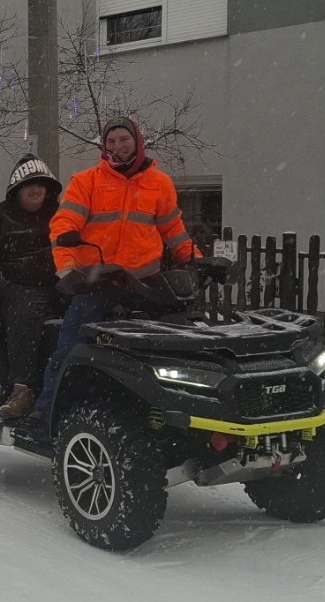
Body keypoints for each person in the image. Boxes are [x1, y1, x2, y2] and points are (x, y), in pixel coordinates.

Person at [30, 117, 232, 423]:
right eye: (110, 142)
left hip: (145, 284)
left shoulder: (158, 183)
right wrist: (68, 269)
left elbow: (174, 231)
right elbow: (64, 226)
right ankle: (45, 413)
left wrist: (198, 260)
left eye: (123, 140)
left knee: (177, 344)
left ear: (138, 142)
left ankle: (181, 410)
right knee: (71, 346)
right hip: (96, 283)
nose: (117, 147)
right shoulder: (87, 181)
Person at [0, 156, 62, 420]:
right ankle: (23, 389)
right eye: (30, 184)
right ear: (17, 189)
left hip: (61, 283)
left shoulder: (60, 215)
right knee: (26, 308)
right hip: (16, 287)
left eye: (42, 184)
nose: (37, 189)